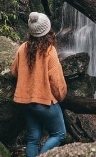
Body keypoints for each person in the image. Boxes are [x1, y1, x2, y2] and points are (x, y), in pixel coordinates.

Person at [10, 12, 68, 157]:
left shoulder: (23, 48)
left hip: (25, 101)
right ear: (47, 30)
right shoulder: (49, 51)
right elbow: (57, 82)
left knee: (33, 139)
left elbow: (14, 71)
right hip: (43, 102)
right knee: (59, 134)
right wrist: (61, 97)